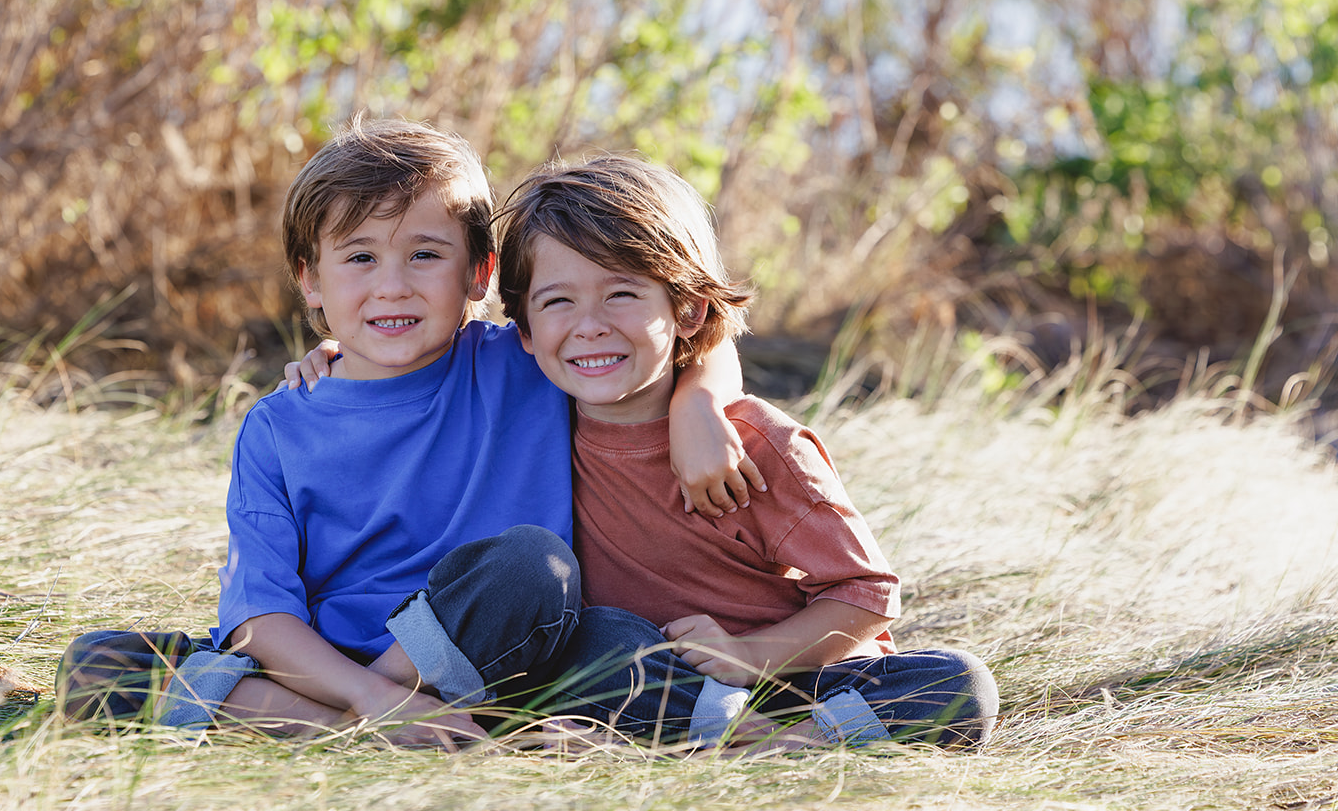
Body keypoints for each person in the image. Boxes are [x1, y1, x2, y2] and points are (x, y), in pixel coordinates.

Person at [54, 120, 756, 745]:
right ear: (310, 280)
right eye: (359, 257)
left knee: (548, 580)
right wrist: (369, 696)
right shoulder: (278, 425)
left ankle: (353, 719)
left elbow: (682, 333)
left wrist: (699, 404)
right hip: (333, 670)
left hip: (510, 646)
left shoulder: (525, 360)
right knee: (99, 664)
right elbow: (258, 618)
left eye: (424, 254)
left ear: (479, 272)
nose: (392, 285)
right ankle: (371, 725)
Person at [385, 154, 998, 748]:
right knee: (598, 638)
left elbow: (866, 598)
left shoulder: (754, 445)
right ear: (522, 329)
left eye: (622, 294)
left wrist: (748, 657)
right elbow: (405, 352)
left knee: (961, 683)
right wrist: (327, 358)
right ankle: (713, 733)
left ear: (687, 310)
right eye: (557, 301)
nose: (589, 324)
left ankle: (787, 742)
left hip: (794, 679)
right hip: (651, 673)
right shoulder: (536, 420)